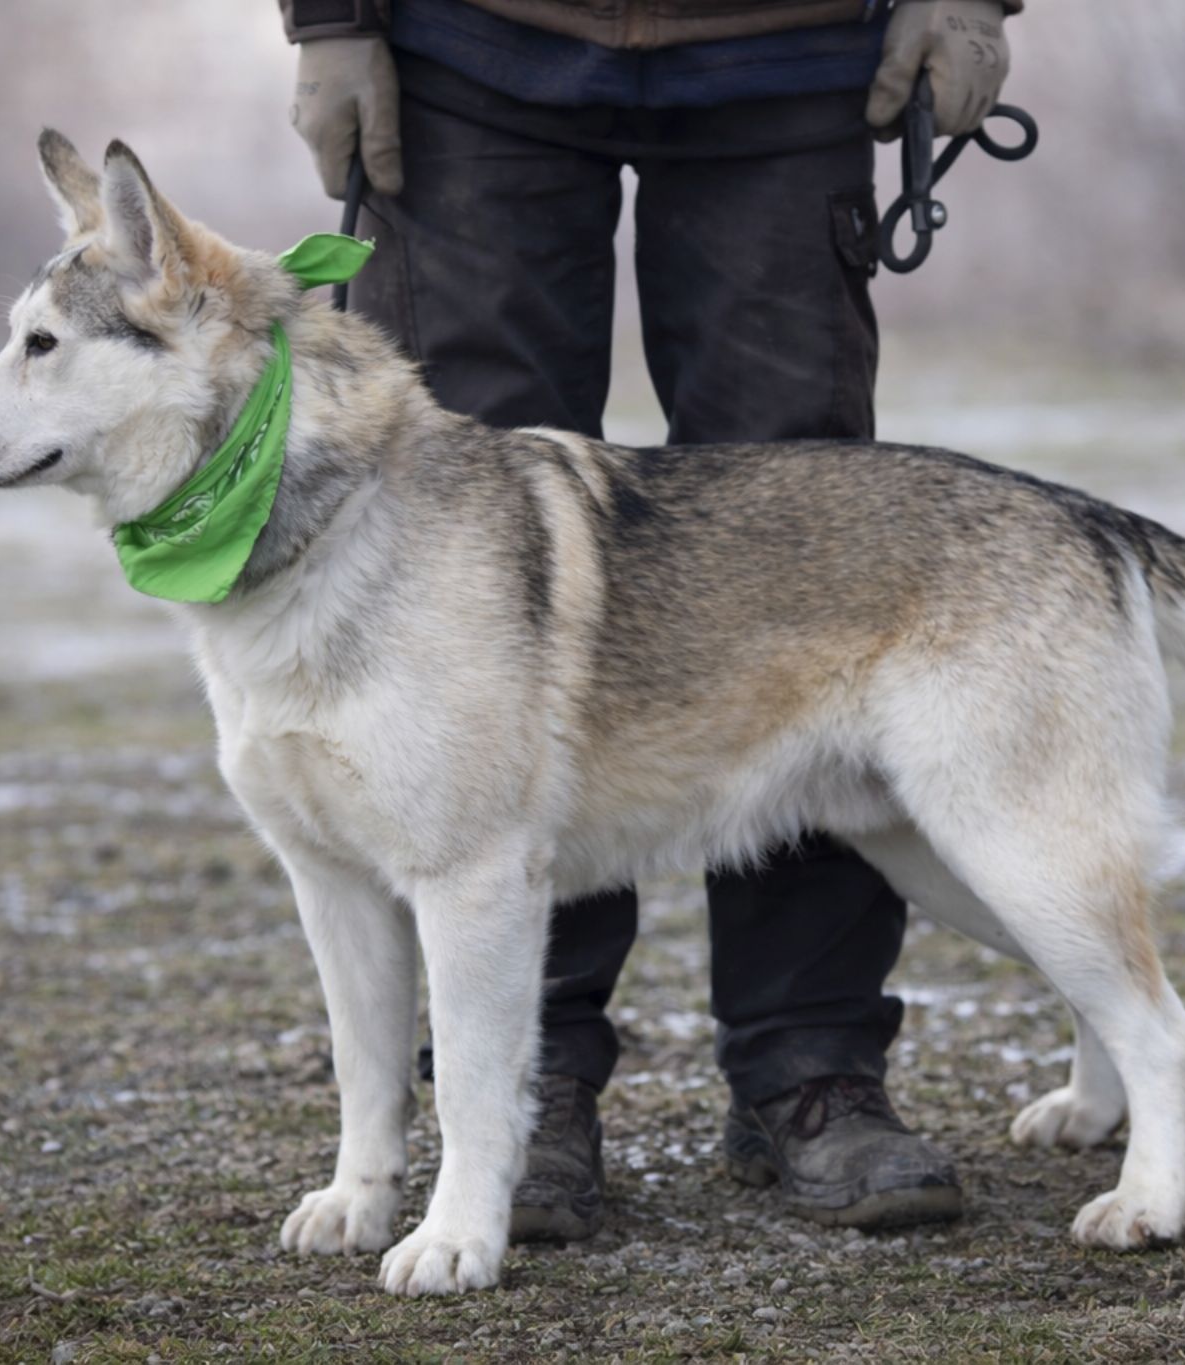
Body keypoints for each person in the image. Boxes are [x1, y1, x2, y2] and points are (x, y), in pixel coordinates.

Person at [276, 0, 1017, 1241]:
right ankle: (531, 1085)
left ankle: (810, 1068)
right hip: (467, 47)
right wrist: (332, 19)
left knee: (804, 566)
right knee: (468, 576)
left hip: (787, 44)